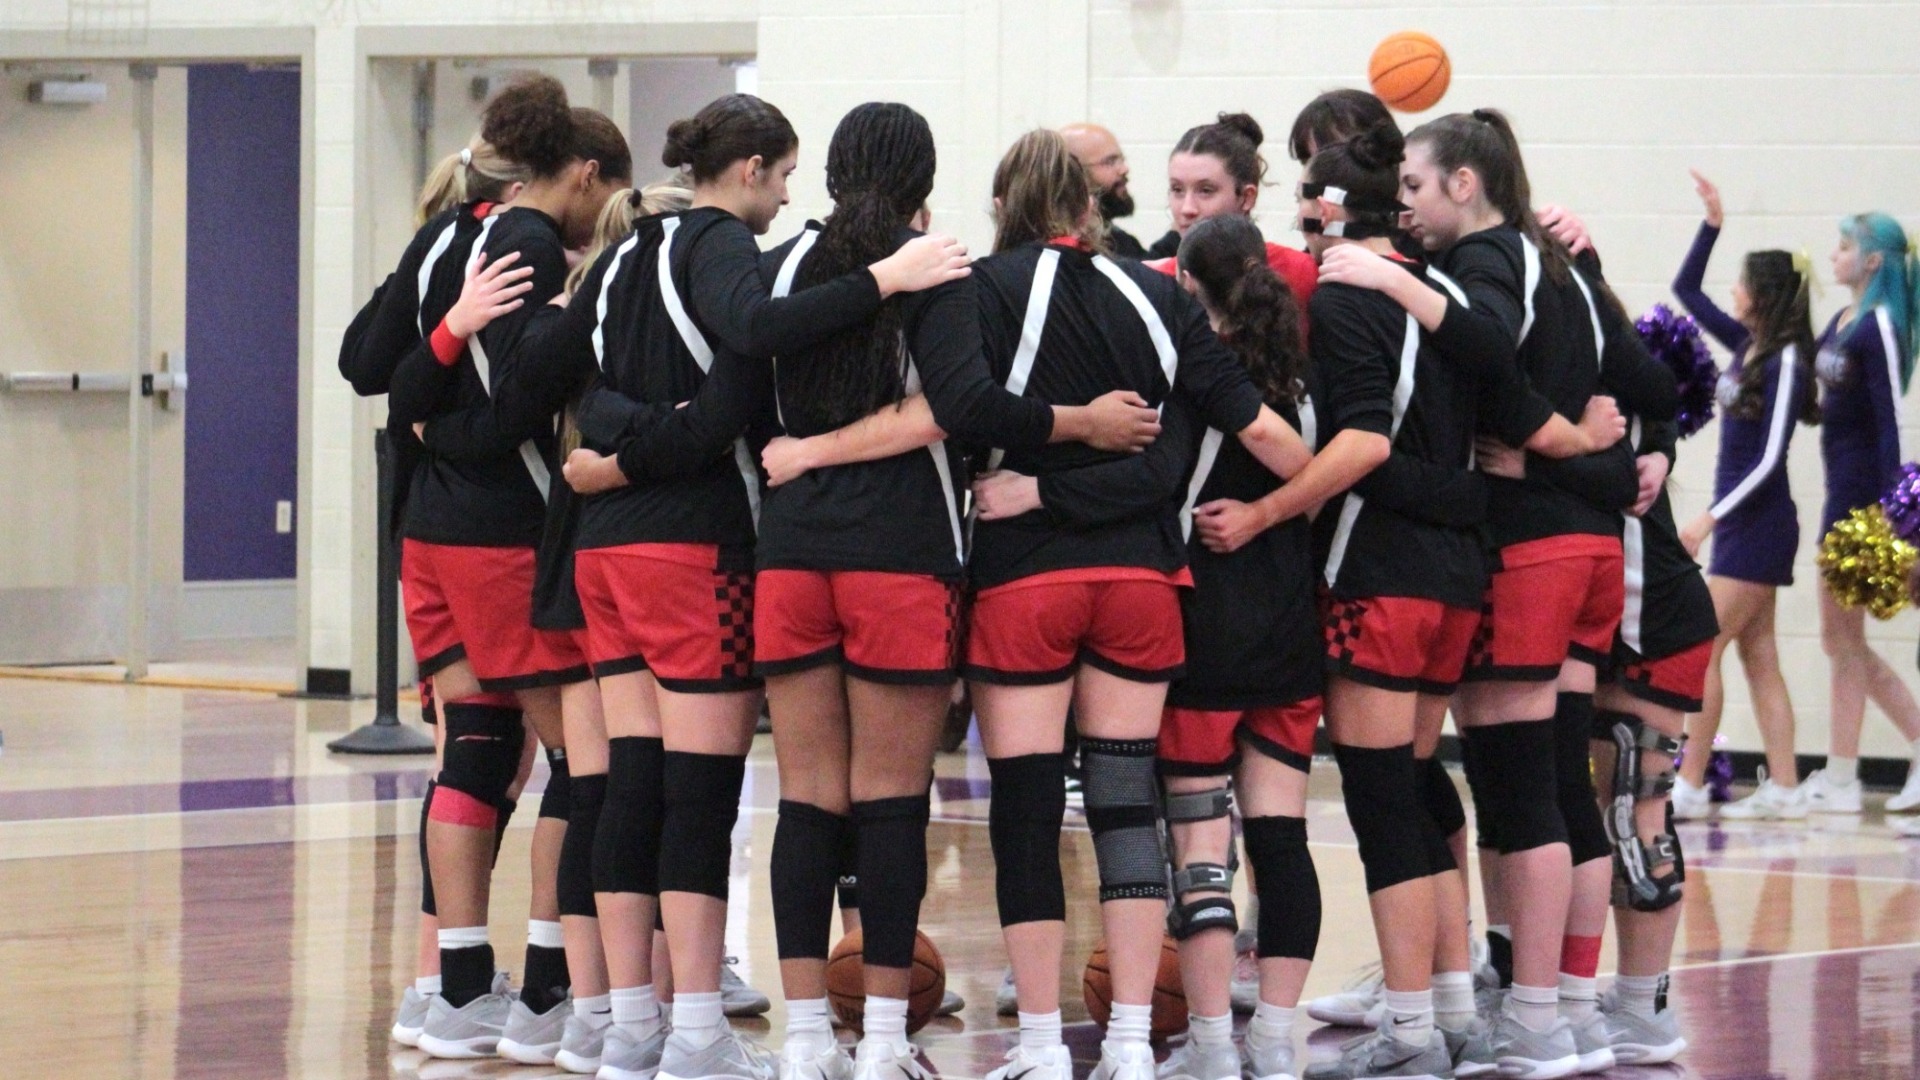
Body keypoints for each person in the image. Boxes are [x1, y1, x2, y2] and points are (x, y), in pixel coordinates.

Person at [536, 92, 975, 1080]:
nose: (781, 194)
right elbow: (957, 405)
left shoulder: (622, 260)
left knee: (660, 791)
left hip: (707, 555)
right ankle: (760, 1035)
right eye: (774, 175)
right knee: (850, 800)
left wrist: (607, 455)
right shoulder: (793, 265)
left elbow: (557, 376)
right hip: (770, 552)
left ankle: (645, 1024)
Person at [952, 128, 1312, 1080]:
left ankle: (1036, 1046)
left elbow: (957, 411)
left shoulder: (981, 290)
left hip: (1024, 578)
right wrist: (1289, 500)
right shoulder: (1160, 295)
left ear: (1006, 206)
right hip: (1142, 586)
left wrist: (1035, 486)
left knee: (1027, 812)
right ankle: (1126, 1050)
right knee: (1122, 806)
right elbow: (1259, 444)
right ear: (1089, 206)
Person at [338, 125, 529, 1053]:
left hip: (426, 532)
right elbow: (374, 375)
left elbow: (363, 367)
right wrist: (453, 326)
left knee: (479, 755)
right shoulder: (474, 251)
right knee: (497, 757)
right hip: (479, 532)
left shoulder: (428, 247)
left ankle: (441, 979)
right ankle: (454, 980)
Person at [1669, 171, 1821, 822]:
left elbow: (1767, 461)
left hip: (1756, 520)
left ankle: (1692, 783)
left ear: (1764, 294)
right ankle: (1784, 787)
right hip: (1742, 522)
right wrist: (1711, 225)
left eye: (1741, 280)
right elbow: (1684, 291)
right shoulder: (1750, 348)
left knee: (1701, 646)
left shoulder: (1786, 361)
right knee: (1759, 656)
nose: (1732, 290)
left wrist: (1708, 516)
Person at [1588, 413, 1716, 1068]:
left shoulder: (1609, 395)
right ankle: (1639, 1000)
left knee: (1637, 811)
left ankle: (1646, 1006)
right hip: (1629, 621)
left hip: (1655, 621)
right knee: (1624, 810)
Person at [1799, 213, 1920, 814]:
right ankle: (1842, 775)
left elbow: (1894, 421)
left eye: (1845, 247)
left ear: (1873, 262)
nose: (1835, 254)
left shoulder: (1880, 327)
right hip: (1837, 489)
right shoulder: (1844, 321)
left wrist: (1895, 513)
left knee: (1844, 639)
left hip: (1864, 502)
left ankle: (1908, 750)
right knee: (1838, 639)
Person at [1143, 113, 1317, 305]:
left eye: (1206, 191)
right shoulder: (1154, 281)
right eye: (1177, 189)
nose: (1187, 208)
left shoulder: (1300, 272)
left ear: (1246, 197)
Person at [1062, 122, 1147, 257]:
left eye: (1121, 159)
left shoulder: (1121, 242)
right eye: (1110, 162)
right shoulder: (1064, 252)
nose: (1124, 169)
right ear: (1074, 173)